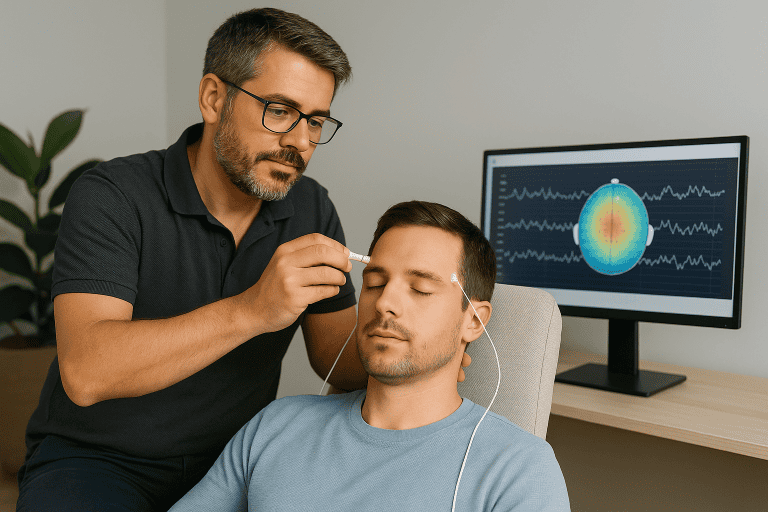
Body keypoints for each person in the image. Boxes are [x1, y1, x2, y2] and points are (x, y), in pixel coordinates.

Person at [17, 8, 370, 512]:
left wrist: (413, 335)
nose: (298, 141)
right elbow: (87, 371)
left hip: (236, 462)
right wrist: (253, 310)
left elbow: (336, 356)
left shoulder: (311, 207)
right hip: (95, 462)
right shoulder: (113, 195)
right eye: (279, 110)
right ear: (213, 98)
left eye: (315, 121)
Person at [168, 201, 571, 511]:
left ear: (474, 321)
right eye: (375, 283)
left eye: (420, 289)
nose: (385, 304)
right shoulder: (277, 427)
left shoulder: (517, 469)